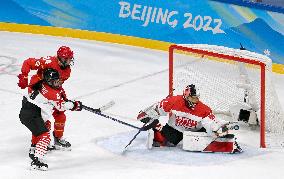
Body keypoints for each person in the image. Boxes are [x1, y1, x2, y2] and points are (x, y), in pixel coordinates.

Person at [137, 84, 242, 153]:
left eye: (197, 98)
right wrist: (146, 114)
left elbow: (210, 123)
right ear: (186, 96)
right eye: (193, 97)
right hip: (175, 129)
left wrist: (217, 128)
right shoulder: (173, 101)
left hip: (195, 131)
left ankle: (229, 142)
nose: (195, 100)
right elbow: (158, 108)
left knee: (213, 135)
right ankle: (157, 128)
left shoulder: (204, 109)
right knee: (161, 141)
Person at [19, 68, 82, 170]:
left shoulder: (42, 83)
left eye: (58, 80)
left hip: (28, 110)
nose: (57, 83)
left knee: (46, 125)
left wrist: (65, 100)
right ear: (48, 81)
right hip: (32, 114)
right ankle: (37, 160)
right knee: (45, 136)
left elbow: (56, 98)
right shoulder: (52, 92)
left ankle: (34, 147)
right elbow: (60, 107)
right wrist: (74, 105)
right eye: (55, 81)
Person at [17, 46, 74, 150]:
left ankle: (58, 139)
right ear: (59, 58)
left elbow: (57, 86)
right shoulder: (47, 61)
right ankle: (38, 144)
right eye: (66, 59)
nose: (69, 61)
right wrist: (24, 76)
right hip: (37, 89)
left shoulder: (67, 71)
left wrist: (63, 97)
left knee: (60, 115)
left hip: (50, 92)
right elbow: (28, 62)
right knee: (42, 118)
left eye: (70, 58)